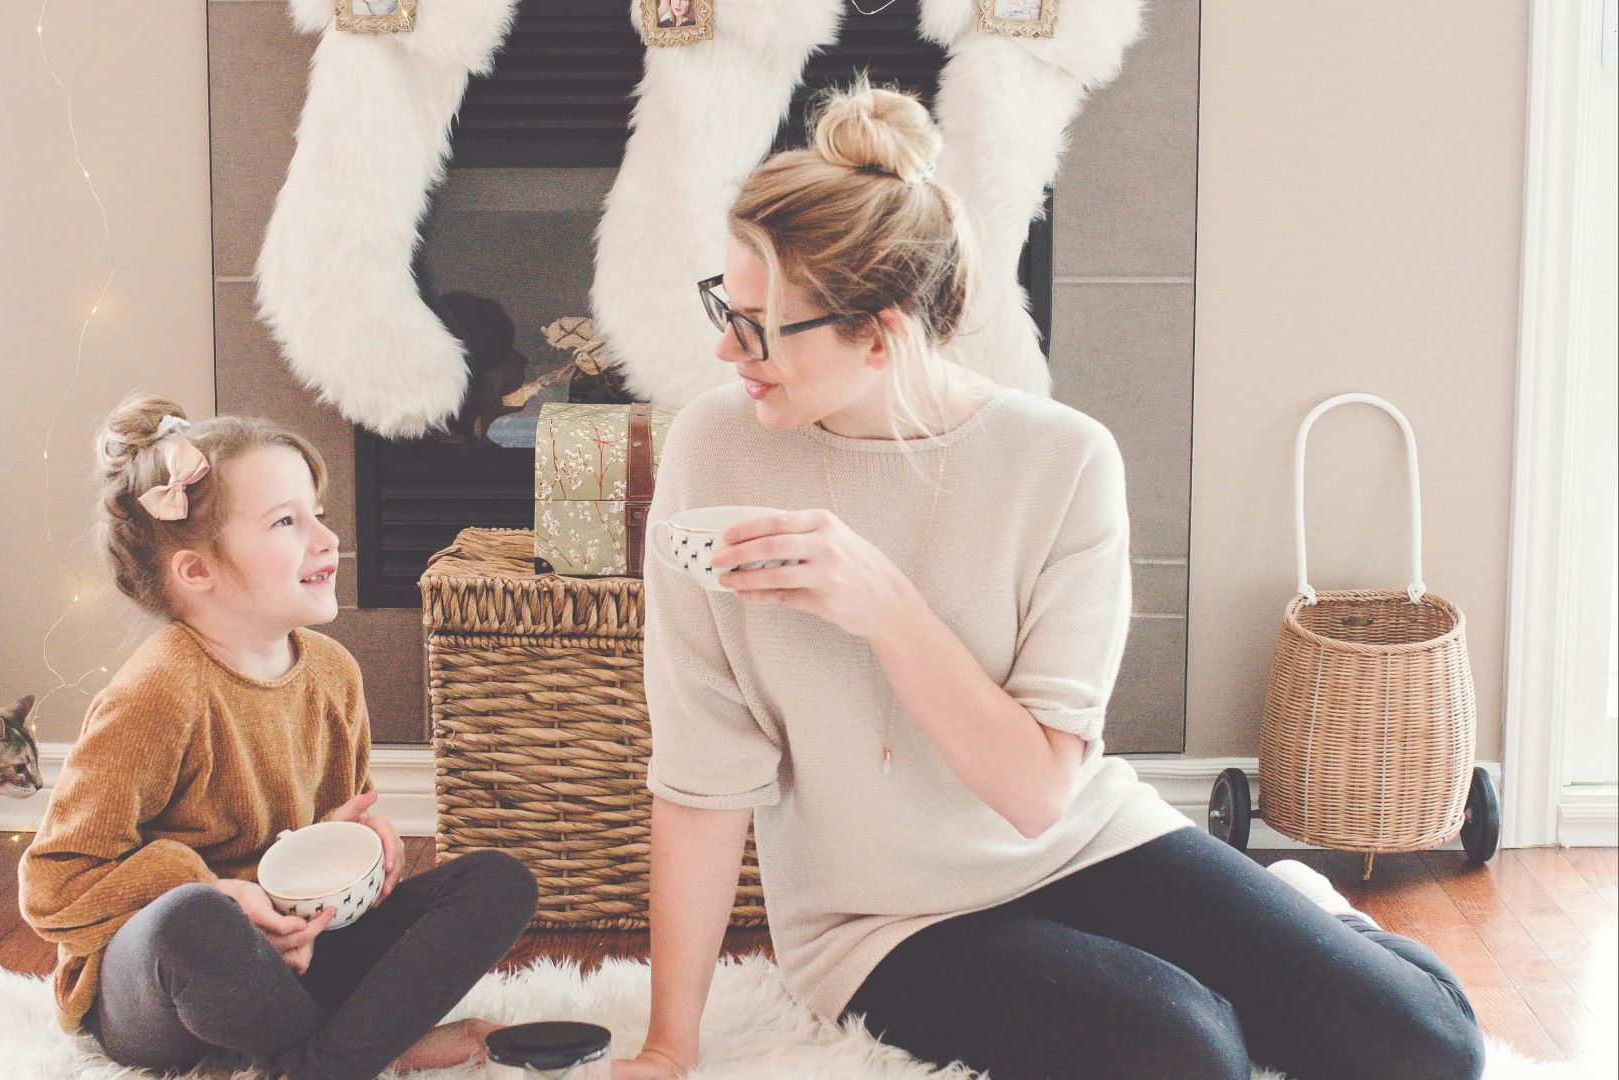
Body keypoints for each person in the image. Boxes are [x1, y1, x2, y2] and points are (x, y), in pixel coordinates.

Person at [613, 80, 1485, 1080]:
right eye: (725, 305)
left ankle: (1304, 912)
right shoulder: (711, 455)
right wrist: (666, 1048)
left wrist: (886, 606)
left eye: (760, 326)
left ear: (881, 333)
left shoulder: (1063, 463)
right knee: (1189, 1053)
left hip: (1078, 840)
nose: (727, 349)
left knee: (1426, 1049)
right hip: (882, 919)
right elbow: (700, 775)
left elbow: (1034, 796)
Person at [19, 397, 537, 1080]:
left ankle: (310, 1063)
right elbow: (54, 887)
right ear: (196, 572)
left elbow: (325, 826)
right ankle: (355, 1055)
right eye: (287, 521)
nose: (327, 539)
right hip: (167, 990)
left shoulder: (332, 673)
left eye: (318, 513)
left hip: (295, 960)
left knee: (501, 883)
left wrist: (360, 843)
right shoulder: (155, 694)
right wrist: (222, 893)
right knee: (196, 919)